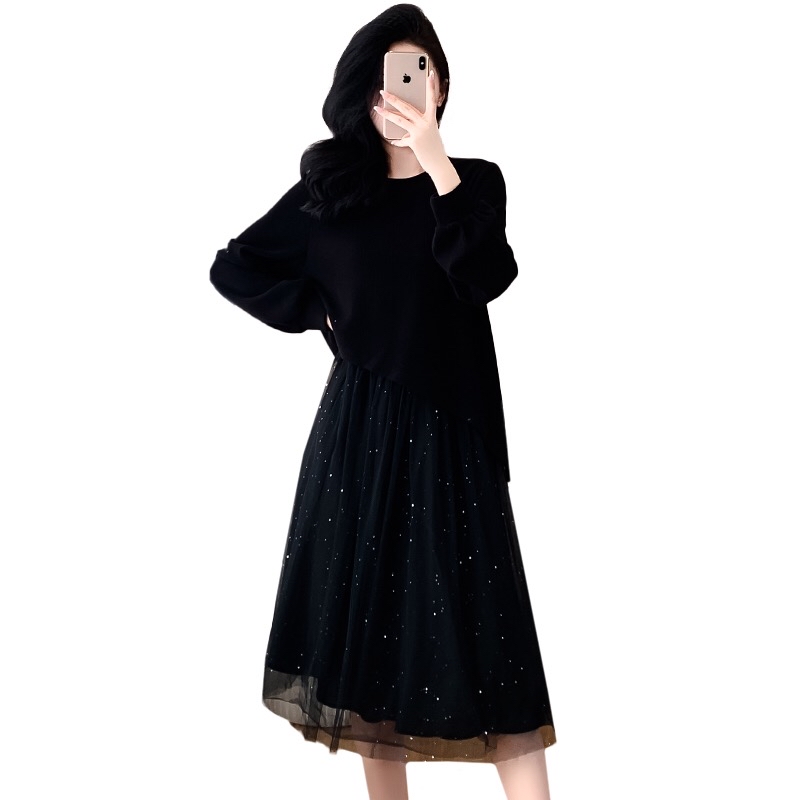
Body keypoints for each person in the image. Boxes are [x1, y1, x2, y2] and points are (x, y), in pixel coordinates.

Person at [209, 5, 556, 799]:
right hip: (359, 439)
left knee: (492, 647)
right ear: (364, 93)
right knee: (372, 656)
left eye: (419, 75)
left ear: (441, 88)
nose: (402, 92)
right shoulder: (331, 191)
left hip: (455, 436)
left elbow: (485, 276)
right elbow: (234, 266)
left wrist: (437, 165)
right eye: (388, 80)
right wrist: (316, 311)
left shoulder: (475, 183)